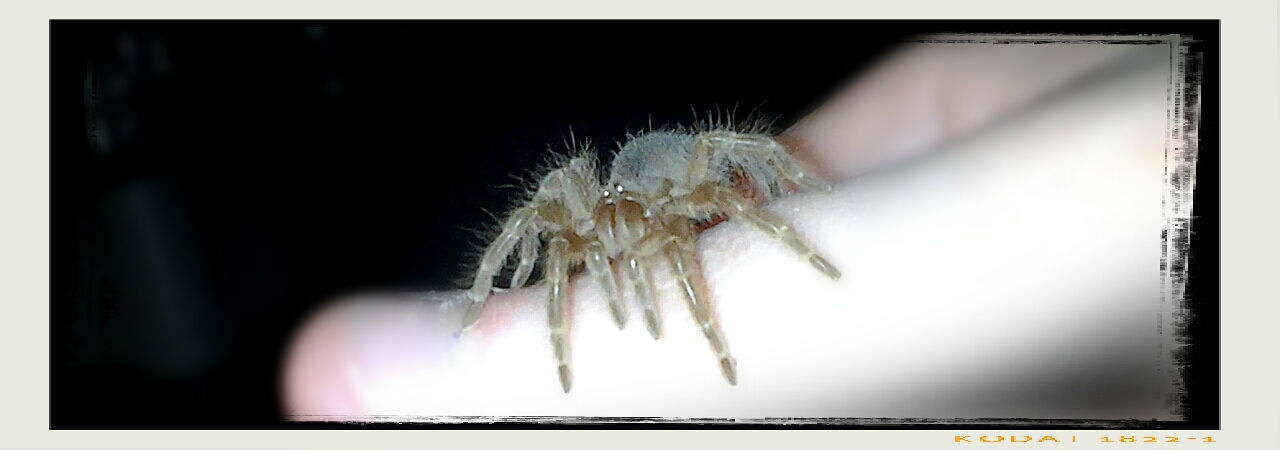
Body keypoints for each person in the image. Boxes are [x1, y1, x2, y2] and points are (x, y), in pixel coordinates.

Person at [282, 39, 1185, 420]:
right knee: (549, 195)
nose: (636, 261)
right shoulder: (592, 221)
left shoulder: (680, 202)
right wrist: (487, 296)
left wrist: (795, 225)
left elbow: (742, 159)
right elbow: (540, 218)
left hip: (669, 170)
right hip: (620, 187)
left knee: (735, 173)